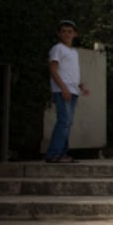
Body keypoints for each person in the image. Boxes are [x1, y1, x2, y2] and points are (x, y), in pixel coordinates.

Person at [45, 19, 89, 163]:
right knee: (64, 121)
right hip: (63, 90)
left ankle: (63, 154)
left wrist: (81, 85)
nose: (66, 34)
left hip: (72, 90)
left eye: (69, 31)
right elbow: (53, 69)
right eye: (63, 31)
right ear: (58, 33)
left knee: (67, 123)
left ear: (75, 34)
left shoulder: (73, 52)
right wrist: (63, 88)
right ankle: (53, 154)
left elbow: (70, 72)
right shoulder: (57, 48)